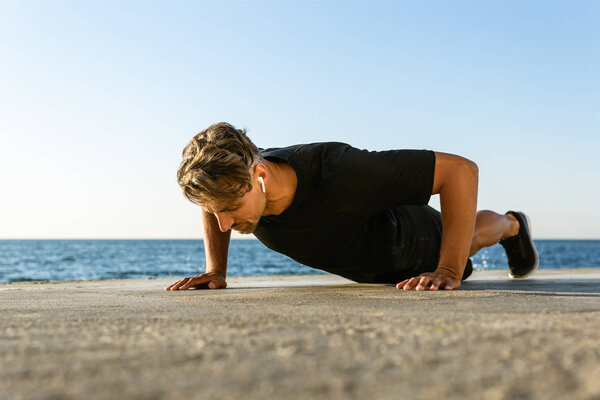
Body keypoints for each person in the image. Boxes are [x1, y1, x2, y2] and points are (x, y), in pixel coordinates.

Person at [165, 122, 538, 292]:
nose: (224, 223)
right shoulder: (233, 182)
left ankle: (511, 225)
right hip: (373, 267)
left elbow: (460, 171)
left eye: (230, 207)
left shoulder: (339, 170)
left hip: (409, 238)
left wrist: (447, 268)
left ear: (260, 174)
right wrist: (216, 269)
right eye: (216, 210)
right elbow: (213, 200)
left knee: (470, 238)